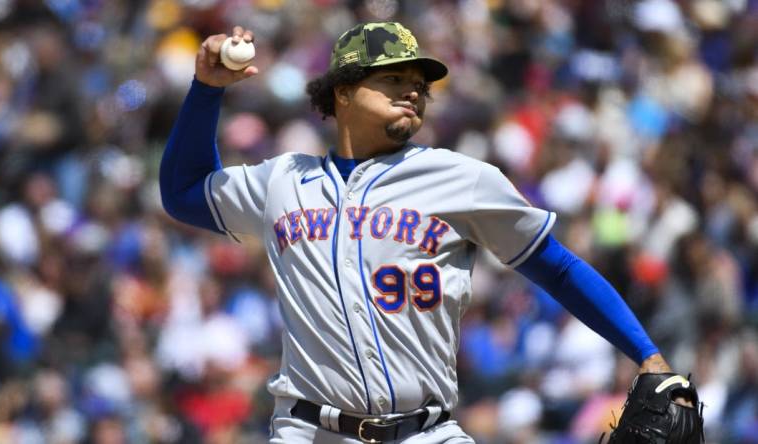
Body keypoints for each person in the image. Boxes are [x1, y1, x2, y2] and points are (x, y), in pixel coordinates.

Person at [160, 22, 696, 444]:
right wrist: (206, 90)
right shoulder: (280, 180)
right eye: (393, 78)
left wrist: (648, 355)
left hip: (428, 431)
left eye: (419, 85)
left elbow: (555, 266)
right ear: (342, 91)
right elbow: (184, 192)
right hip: (306, 431)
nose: (413, 92)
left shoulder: (462, 179)